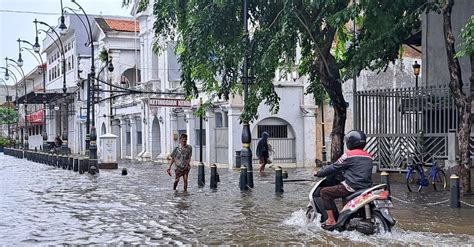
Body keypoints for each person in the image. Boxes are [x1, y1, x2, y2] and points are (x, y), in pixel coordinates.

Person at [313, 130, 373, 229]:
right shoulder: (368, 155)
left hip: (352, 186)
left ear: (350, 142)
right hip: (366, 187)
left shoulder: (349, 155)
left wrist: (319, 173)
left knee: (324, 192)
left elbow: (334, 167)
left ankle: (331, 220)